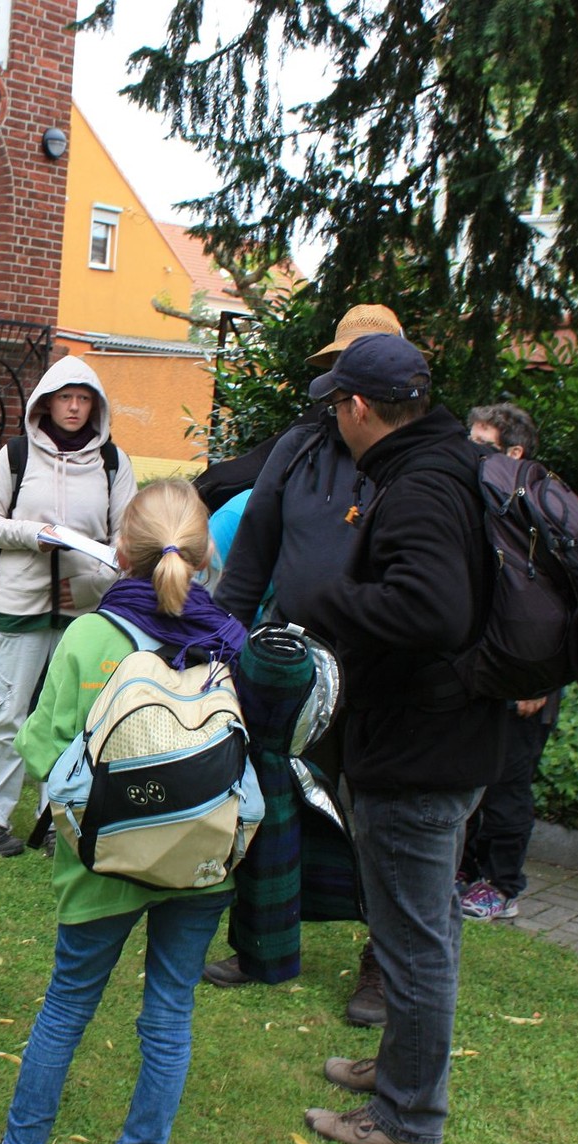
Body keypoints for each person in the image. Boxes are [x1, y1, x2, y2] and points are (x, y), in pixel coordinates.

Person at [0, 478, 240, 1144]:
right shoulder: (229, 638)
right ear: (202, 553)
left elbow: (38, 744)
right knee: (168, 1016)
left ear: (120, 549)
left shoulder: (91, 636)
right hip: (199, 860)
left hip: (102, 856)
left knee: (67, 1005)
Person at [296, 333, 503, 1144]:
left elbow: (432, 610)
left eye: (333, 405)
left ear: (355, 407)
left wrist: (329, 599)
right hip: (445, 736)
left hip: (420, 746)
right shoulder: (446, 465)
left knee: (413, 939)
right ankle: (396, 1070)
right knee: (424, 925)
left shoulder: (419, 486)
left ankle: (406, 1116)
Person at [206, 304, 403, 1026]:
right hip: (291, 661)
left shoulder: (417, 464)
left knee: (379, 821)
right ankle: (263, 944)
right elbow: (249, 554)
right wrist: (223, 647)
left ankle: (382, 968)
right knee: (272, 801)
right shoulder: (295, 448)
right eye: (334, 369)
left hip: (385, 673)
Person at [0, 356, 135, 857]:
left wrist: (89, 588)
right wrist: (32, 535)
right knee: (8, 712)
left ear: (96, 406)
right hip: (20, 603)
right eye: (66, 397)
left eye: (84, 399)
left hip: (84, 613)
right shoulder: (16, 455)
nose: (75, 407)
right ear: (47, 401)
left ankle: (57, 817)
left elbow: (127, 540)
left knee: (73, 716)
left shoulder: (112, 461)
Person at [459, 401, 558, 921]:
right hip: (491, 666)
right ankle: (467, 871)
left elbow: (553, 602)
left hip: (528, 674)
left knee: (508, 784)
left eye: (484, 445)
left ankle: (501, 884)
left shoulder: (538, 510)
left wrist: (538, 680)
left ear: (514, 453)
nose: (471, 453)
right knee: (477, 771)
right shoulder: (487, 502)